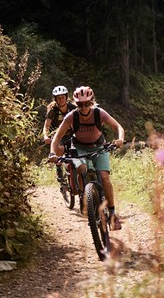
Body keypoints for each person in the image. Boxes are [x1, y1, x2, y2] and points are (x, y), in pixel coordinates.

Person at [50, 85, 125, 230]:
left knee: (104, 177)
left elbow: (118, 127)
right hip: (79, 148)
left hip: (99, 147)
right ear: (76, 104)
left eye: (87, 104)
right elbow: (56, 138)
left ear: (92, 102)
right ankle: (86, 198)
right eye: (80, 104)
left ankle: (112, 213)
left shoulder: (99, 113)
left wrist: (120, 139)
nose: (84, 107)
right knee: (82, 170)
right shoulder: (72, 116)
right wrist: (52, 153)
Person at [43, 85, 74, 183]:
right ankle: (59, 167)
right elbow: (46, 126)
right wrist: (46, 136)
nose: (61, 100)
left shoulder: (73, 108)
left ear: (66, 97)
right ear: (55, 99)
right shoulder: (53, 111)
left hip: (71, 134)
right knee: (60, 149)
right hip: (58, 135)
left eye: (62, 97)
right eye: (58, 98)